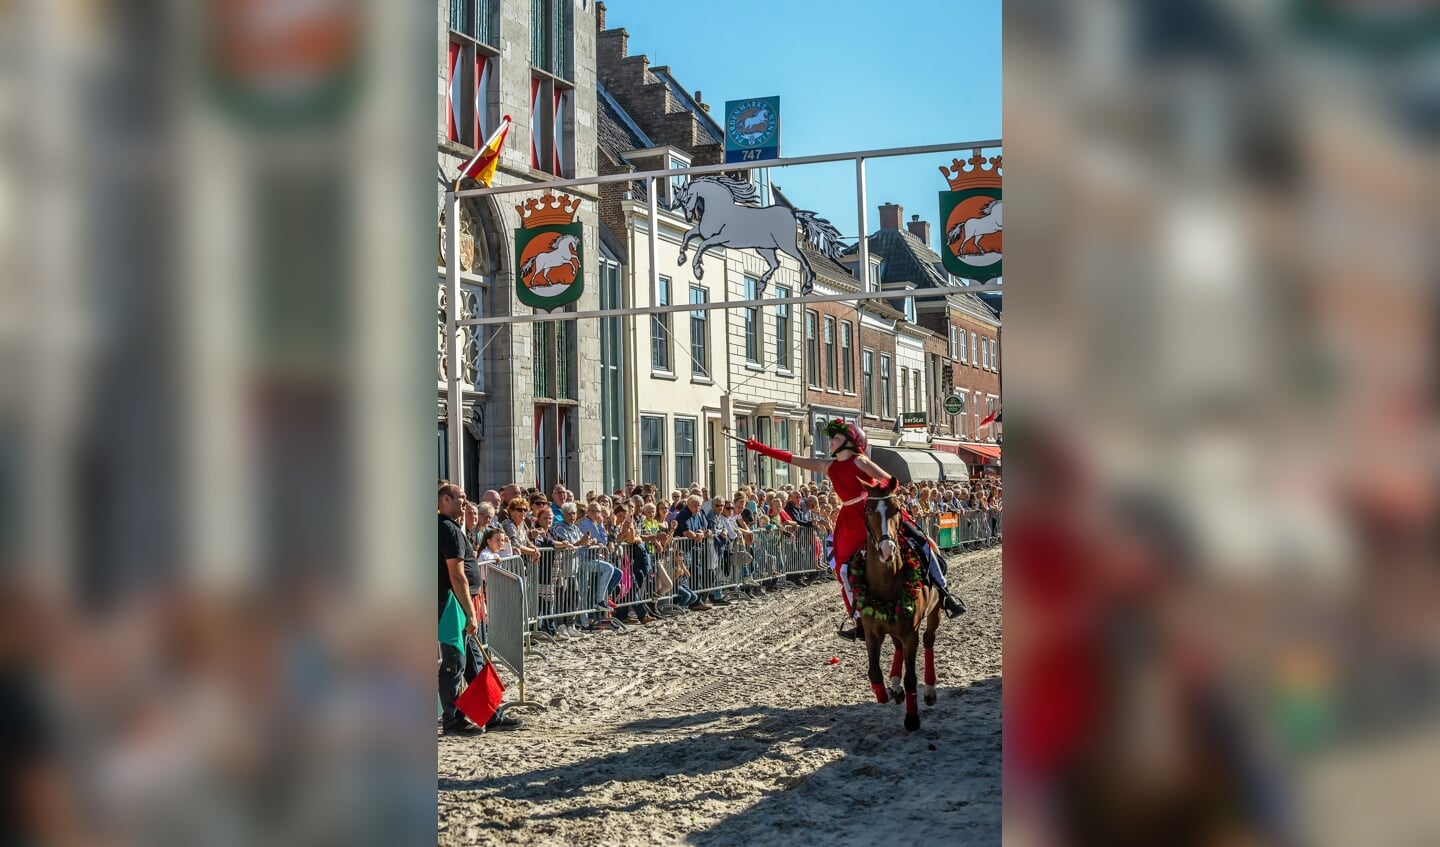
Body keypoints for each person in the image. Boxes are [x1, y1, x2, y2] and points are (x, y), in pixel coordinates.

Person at [747, 419, 963, 639]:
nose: (831, 442)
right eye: (832, 438)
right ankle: (859, 619)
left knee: (922, 543)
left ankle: (945, 594)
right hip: (848, 521)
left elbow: (891, 482)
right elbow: (794, 459)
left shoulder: (860, 461)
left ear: (850, 442)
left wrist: (876, 495)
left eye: (836, 438)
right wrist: (759, 448)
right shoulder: (828, 466)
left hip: (872, 511)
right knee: (843, 570)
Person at [438, 483, 522, 733]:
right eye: (460, 498)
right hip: (453, 604)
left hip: (459, 602)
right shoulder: (447, 529)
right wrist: (470, 612)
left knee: (474, 661)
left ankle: (491, 714)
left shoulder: (450, 528)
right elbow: (457, 574)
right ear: (445, 500)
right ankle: (452, 719)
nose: (464, 502)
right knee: (455, 661)